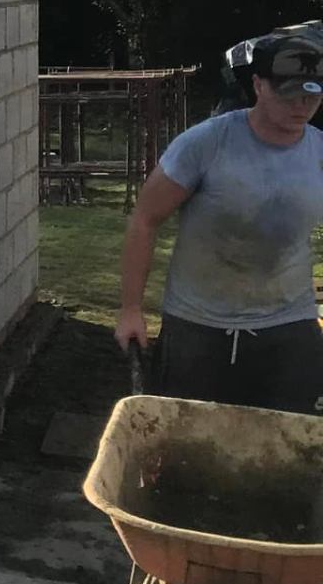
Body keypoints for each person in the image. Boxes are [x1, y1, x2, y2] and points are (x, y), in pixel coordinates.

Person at [115, 26, 323, 412]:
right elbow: (145, 219)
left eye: (311, 94)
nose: (301, 105)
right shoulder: (206, 144)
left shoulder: (319, 152)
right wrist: (131, 309)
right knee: (186, 447)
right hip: (199, 326)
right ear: (259, 85)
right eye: (288, 93)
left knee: (284, 447)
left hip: (288, 326)